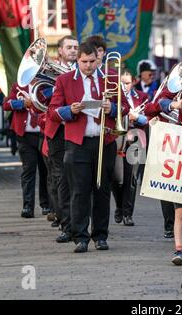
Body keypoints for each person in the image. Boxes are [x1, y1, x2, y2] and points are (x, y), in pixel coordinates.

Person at [48, 43, 129, 253]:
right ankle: (80, 237)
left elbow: (125, 107)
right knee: (79, 191)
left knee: (102, 189)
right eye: (84, 62)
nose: (88, 66)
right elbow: (53, 112)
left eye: (92, 61)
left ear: (98, 59)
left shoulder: (110, 78)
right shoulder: (64, 80)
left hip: (105, 141)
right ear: (78, 60)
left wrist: (113, 108)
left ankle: (100, 236)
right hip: (78, 143)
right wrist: (70, 110)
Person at [44, 35, 79, 239]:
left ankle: (78, 222)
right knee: (60, 179)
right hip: (58, 130)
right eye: (69, 47)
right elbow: (42, 98)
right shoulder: (49, 71)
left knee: (79, 179)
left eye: (76, 47)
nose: (73, 50)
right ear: (61, 51)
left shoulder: (85, 69)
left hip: (78, 129)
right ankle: (66, 224)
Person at [3, 83, 51, 218]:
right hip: (24, 135)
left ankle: (46, 204)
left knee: (45, 170)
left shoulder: (46, 84)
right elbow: (6, 105)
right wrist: (23, 103)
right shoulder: (18, 86)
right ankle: (27, 206)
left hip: (43, 134)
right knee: (28, 170)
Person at [111, 69, 148, 226]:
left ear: (133, 82)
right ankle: (119, 205)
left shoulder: (142, 97)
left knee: (131, 179)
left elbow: (149, 119)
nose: (124, 87)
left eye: (127, 83)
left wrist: (136, 117)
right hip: (118, 139)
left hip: (136, 139)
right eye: (121, 83)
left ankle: (128, 213)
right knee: (116, 179)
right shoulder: (113, 96)